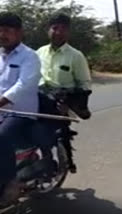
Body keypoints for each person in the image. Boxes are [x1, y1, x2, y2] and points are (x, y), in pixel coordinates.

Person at [0, 12, 41, 206]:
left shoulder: (30, 57)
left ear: (19, 33)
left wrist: (0, 102)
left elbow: (24, 84)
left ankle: (11, 183)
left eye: (7, 31)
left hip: (21, 112)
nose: (2, 35)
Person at [36, 13, 92, 172]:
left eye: (63, 29)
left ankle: (54, 163)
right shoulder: (39, 52)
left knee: (50, 134)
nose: (58, 32)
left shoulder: (76, 56)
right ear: (48, 30)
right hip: (37, 98)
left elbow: (85, 84)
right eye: (55, 28)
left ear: (69, 32)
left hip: (60, 104)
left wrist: (68, 96)